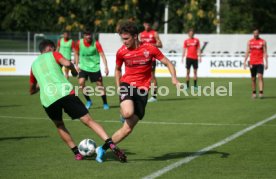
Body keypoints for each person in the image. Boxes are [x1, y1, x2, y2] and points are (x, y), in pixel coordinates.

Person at [95, 21, 180, 162]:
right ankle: (123, 111)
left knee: (127, 129)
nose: (124, 42)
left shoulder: (150, 49)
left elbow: (168, 63)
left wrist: (174, 78)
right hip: (127, 84)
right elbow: (117, 70)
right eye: (123, 38)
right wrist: (119, 87)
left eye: (127, 38)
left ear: (135, 36)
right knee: (128, 112)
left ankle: (101, 149)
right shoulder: (121, 52)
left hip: (142, 90)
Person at [29, 39, 126, 163]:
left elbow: (32, 89)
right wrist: (74, 71)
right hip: (65, 93)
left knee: (59, 125)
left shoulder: (33, 65)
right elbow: (67, 63)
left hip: (48, 100)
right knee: (88, 121)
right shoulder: (54, 54)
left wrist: (41, 85)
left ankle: (77, 153)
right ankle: (111, 144)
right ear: (50, 48)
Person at [75, 29, 109, 110]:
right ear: (84, 36)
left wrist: (106, 67)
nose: (89, 36)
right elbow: (76, 53)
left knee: (100, 85)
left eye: (90, 34)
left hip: (95, 68)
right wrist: (76, 65)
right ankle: (89, 101)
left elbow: (102, 55)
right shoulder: (79, 43)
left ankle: (105, 103)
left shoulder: (96, 43)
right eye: (87, 35)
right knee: (81, 82)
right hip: (83, 67)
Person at [140, 19, 163, 102]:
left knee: (152, 76)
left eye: (149, 24)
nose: (147, 26)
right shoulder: (141, 34)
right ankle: (142, 94)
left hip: (151, 58)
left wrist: (150, 44)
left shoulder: (154, 33)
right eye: (146, 24)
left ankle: (154, 96)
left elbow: (160, 44)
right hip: (142, 59)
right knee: (143, 77)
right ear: (143, 24)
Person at [243, 29, 268, 99]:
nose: (256, 34)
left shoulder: (263, 42)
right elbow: (247, 52)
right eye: (254, 33)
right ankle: (254, 93)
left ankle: (261, 93)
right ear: (253, 34)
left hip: (260, 62)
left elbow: (265, 53)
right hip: (252, 62)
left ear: (259, 34)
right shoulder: (250, 42)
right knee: (253, 78)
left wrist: (266, 63)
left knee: (260, 76)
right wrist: (244, 62)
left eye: (257, 33)